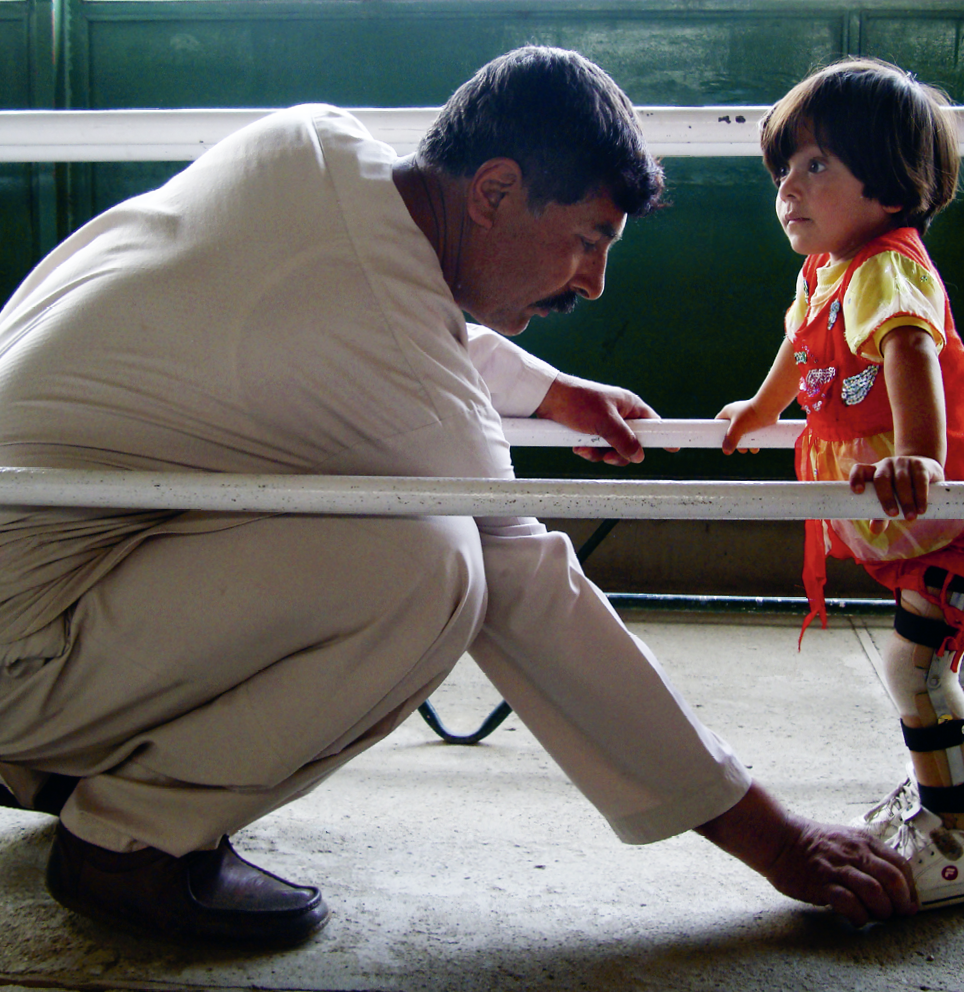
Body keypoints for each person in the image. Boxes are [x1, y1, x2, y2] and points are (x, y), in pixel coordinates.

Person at [0, 47, 915, 946]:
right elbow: (532, 600)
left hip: (39, 582)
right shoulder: (393, 356)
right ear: (493, 191)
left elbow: (343, 318)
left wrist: (545, 389)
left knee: (350, 519)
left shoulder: (310, 145)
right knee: (433, 569)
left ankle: (47, 764)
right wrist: (779, 840)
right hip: (24, 652)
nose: (594, 282)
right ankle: (129, 840)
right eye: (589, 240)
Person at [716, 58, 964, 910]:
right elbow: (798, 355)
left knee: (915, 666)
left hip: (960, 519)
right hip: (917, 526)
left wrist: (922, 458)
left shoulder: (888, 267)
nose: (789, 184)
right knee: (936, 664)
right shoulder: (825, 273)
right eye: (782, 166)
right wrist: (760, 408)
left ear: (892, 185)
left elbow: (910, 351)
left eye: (817, 165)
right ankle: (943, 790)